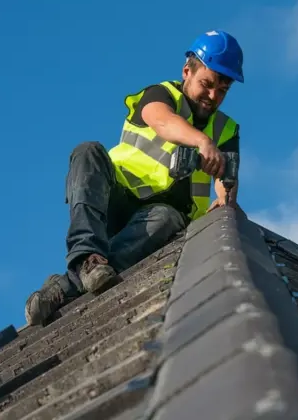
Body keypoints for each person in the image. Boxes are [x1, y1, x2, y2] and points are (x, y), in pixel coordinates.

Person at [24, 30, 243, 325]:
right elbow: (162, 121)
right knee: (87, 152)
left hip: (159, 219)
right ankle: (85, 256)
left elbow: (226, 183)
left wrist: (226, 199)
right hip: (114, 200)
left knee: (166, 217)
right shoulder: (160, 94)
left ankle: (69, 283)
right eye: (207, 84)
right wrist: (201, 142)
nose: (213, 96)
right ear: (187, 71)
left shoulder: (227, 130)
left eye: (223, 90)